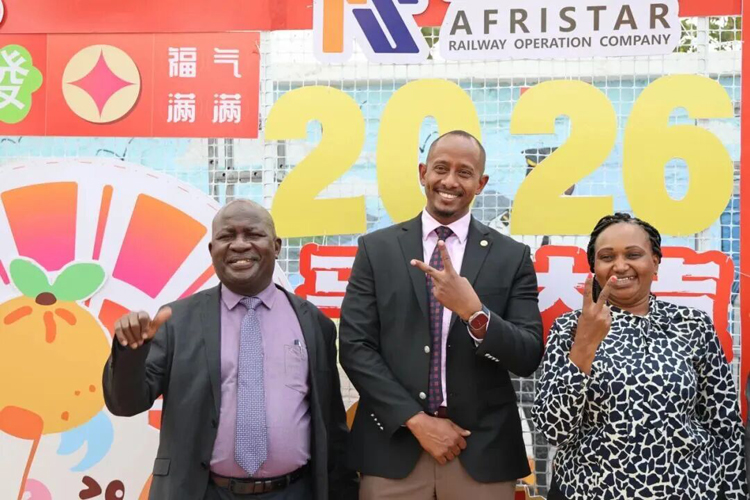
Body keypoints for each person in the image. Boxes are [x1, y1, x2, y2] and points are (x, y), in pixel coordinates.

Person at [103, 200, 358, 500]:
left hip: (294, 492)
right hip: (202, 492)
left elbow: (331, 425)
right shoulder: (176, 321)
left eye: (252, 234)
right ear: (212, 250)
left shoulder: (314, 324)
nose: (239, 245)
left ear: (276, 246)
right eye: (226, 236)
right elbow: (126, 404)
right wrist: (131, 352)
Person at [339, 130, 544, 500]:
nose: (450, 181)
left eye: (464, 172)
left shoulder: (511, 256)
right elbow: (355, 347)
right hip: (393, 448)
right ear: (423, 173)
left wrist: (475, 314)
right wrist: (416, 420)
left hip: (481, 453)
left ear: (481, 183)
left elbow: (528, 355)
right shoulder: (377, 249)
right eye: (441, 168)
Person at [533, 213, 748, 500]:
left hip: (688, 489)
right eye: (607, 257)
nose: (620, 266)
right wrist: (585, 344)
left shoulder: (692, 325)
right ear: (594, 267)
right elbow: (553, 430)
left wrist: (734, 493)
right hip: (589, 490)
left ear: (655, 262)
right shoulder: (570, 327)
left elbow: (724, 424)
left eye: (633, 254)